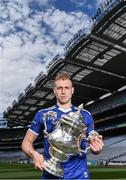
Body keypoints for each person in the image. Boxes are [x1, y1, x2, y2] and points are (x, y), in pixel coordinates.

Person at [21, 73, 104, 179]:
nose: (63, 92)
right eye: (59, 88)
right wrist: (35, 155)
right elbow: (26, 142)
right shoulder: (43, 114)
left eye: (67, 88)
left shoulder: (85, 115)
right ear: (54, 91)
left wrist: (96, 147)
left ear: (72, 90)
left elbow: (93, 142)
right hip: (50, 173)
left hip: (79, 175)